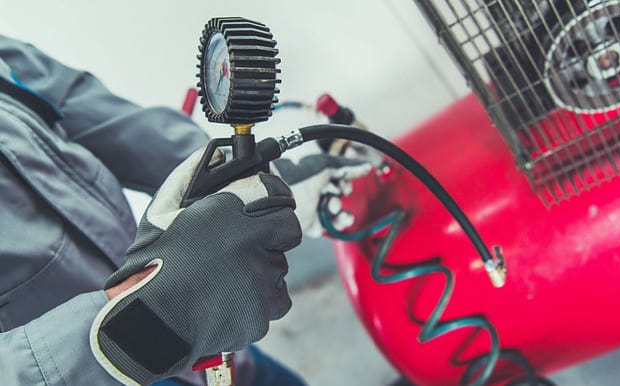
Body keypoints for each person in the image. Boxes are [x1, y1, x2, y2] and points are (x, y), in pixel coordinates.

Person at [0, 33, 371, 385]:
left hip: (211, 325)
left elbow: (89, 111)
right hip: (111, 358)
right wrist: (141, 323)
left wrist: (246, 180)